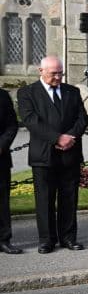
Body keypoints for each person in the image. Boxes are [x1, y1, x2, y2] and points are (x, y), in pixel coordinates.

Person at [17, 56, 88, 253]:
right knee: (45, 199)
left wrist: (70, 137)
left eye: (60, 73)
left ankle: (68, 238)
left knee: (69, 198)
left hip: (70, 153)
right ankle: (46, 239)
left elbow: (82, 118)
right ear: (41, 71)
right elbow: (31, 120)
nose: (57, 77)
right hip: (44, 155)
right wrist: (57, 138)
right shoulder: (27, 93)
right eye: (53, 73)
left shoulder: (72, 92)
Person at [0, 89, 21, 254]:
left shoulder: (3, 95)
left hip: (0, 157)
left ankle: (4, 239)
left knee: (2, 202)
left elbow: (12, 124)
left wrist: (2, 145)